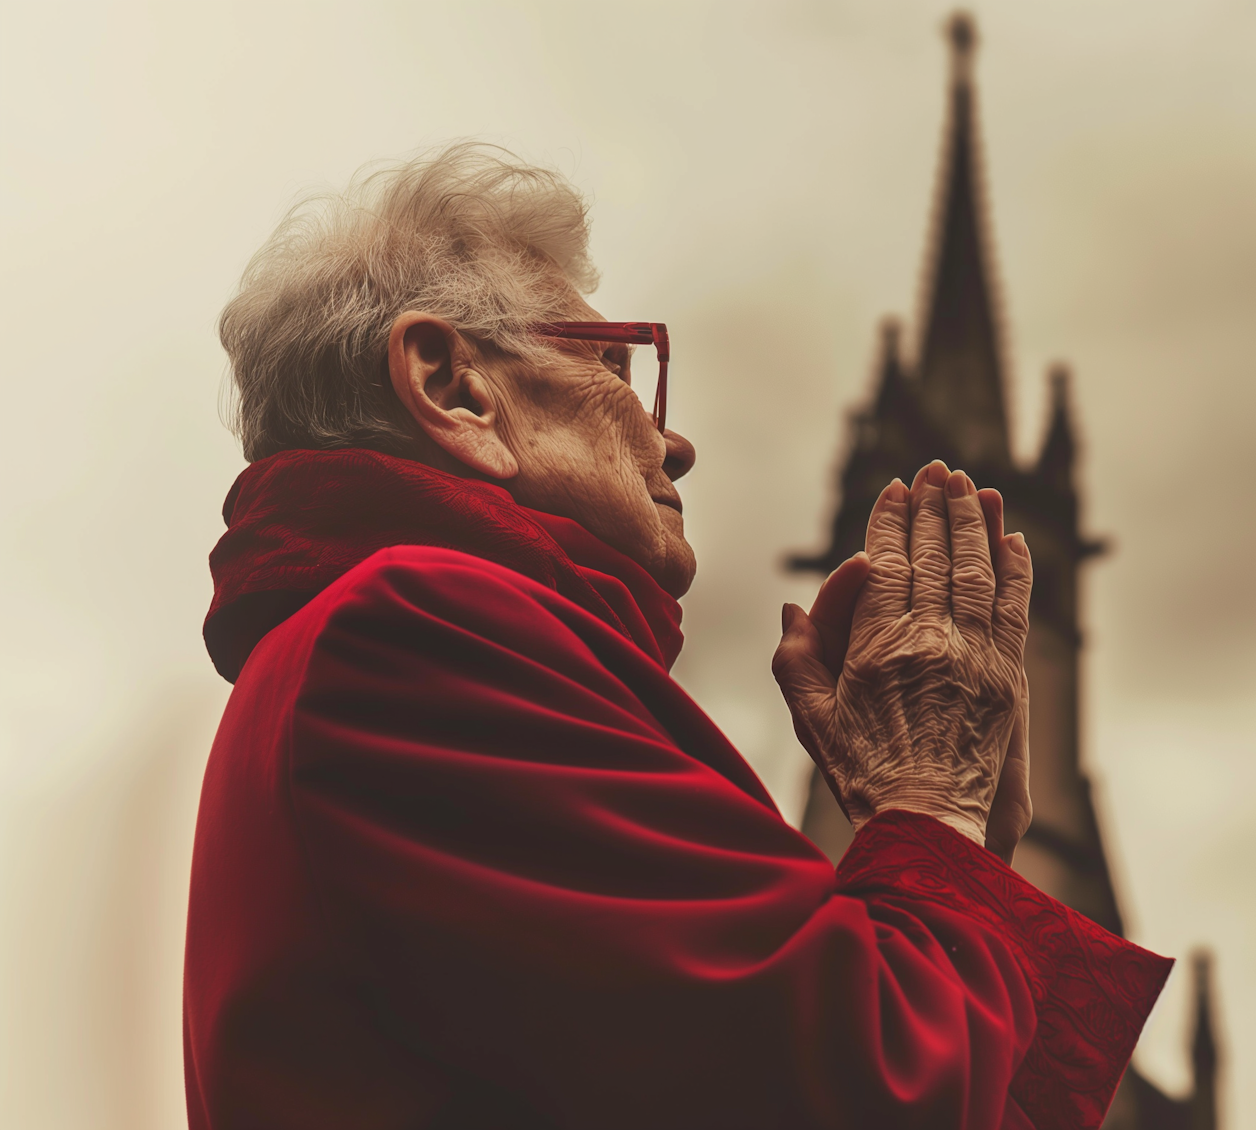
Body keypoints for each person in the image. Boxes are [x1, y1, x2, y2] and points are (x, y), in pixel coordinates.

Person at [185, 144, 1170, 1130]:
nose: (675, 443)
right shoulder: (412, 635)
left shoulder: (386, 653)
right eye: (612, 364)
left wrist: (937, 847)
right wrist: (931, 805)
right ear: (455, 388)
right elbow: (871, 1098)